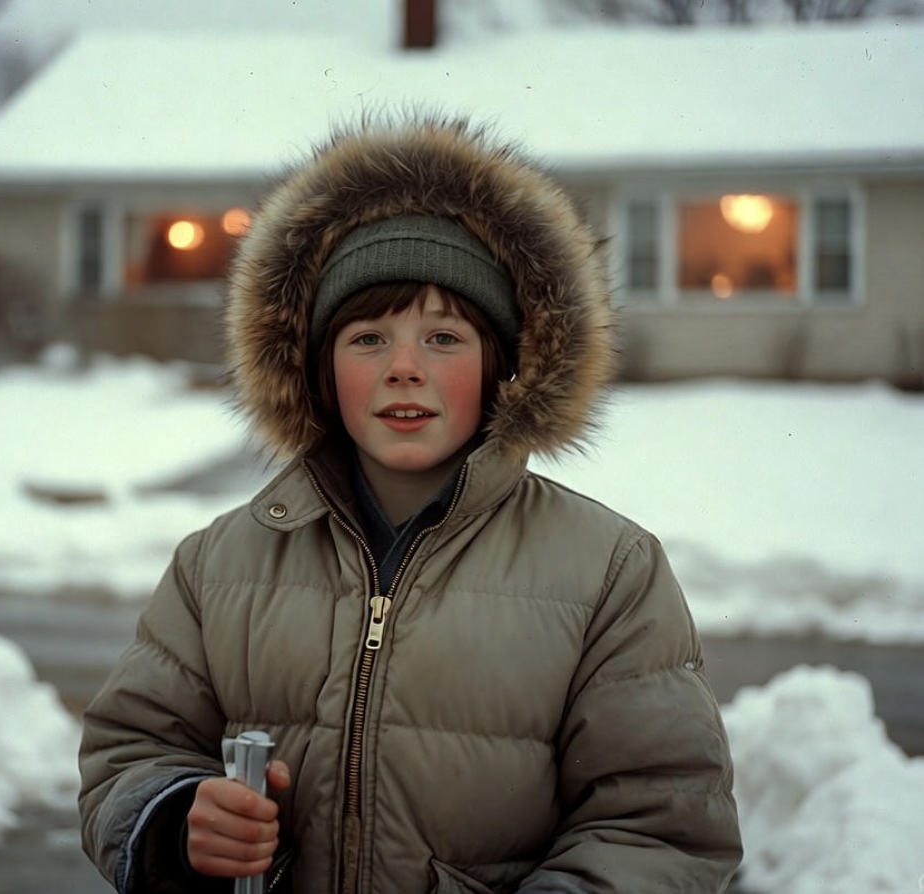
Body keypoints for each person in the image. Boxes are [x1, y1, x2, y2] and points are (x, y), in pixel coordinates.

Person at [78, 115, 742, 894]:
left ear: (506, 367)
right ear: (316, 368)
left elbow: (660, 826)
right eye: (366, 338)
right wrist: (175, 818)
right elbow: (129, 750)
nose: (403, 369)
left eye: (444, 338)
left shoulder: (608, 573)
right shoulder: (219, 565)